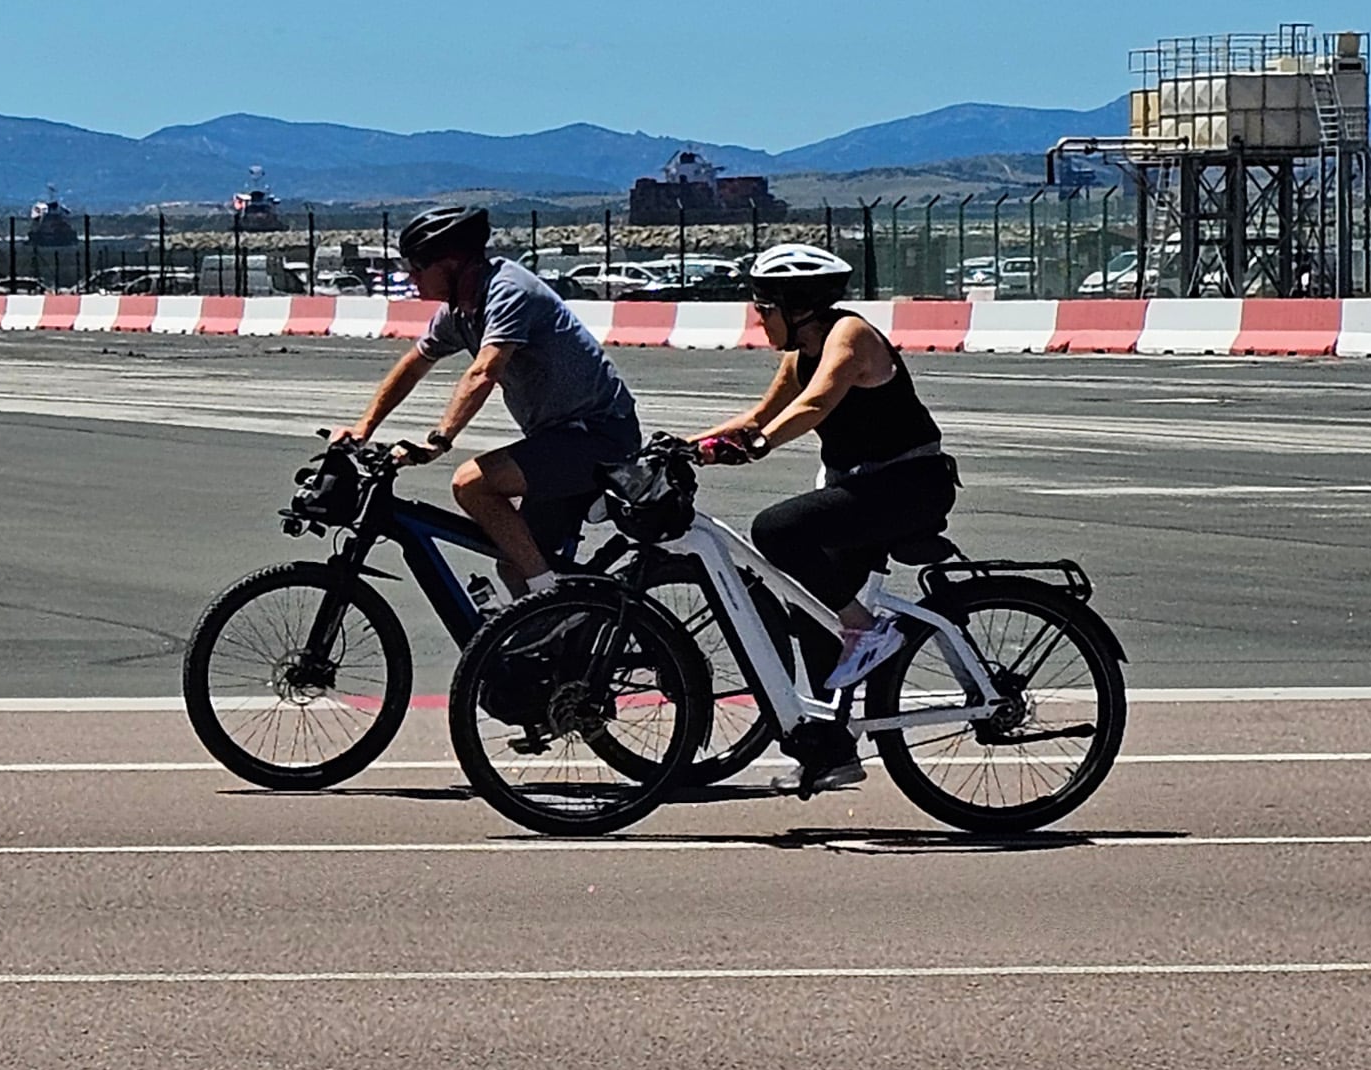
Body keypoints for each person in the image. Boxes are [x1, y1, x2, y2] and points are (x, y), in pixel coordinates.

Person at [695, 240, 956, 796]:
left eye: (764, 306)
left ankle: (863, 628)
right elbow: (763, 415)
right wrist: (687, 447)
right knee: (809, 607)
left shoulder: (850, 336)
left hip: (908, 485)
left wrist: (759, 446)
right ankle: (834, 754)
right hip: (864, 487)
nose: (757, 318)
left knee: (775, 529)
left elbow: (814, 405)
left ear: (799, 304)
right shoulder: (800, 352)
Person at [332, 207, 643, 596]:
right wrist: (364, 428)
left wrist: (439, 440)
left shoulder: (508, 291)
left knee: (472, 484)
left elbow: (484, 372)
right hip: (557, 439)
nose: (411, 277)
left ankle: (549, 598)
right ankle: (555, 633)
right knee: (515, 566)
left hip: (599, 436)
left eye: (417, 266)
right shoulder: (460, 311)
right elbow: (414, 364)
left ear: (452, 263)